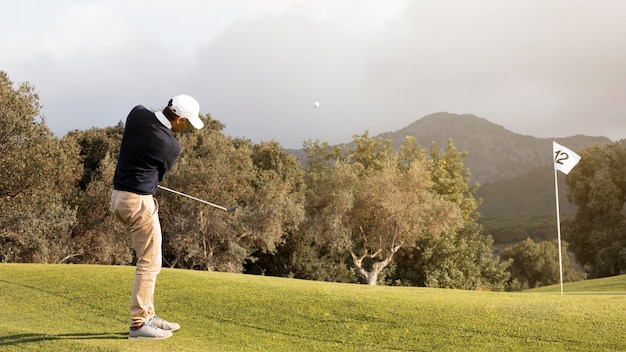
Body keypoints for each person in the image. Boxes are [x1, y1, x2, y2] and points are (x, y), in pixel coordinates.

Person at [111, 95, 204, 339]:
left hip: (119, 198)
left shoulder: (137, 114)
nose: (187, 128)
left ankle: (149, 315)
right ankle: (139, 323)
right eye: (188, 123)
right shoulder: (171, 146)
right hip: (139, 202)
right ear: (180, 119)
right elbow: (160, 175)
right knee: (150, 263)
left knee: (149, 260)